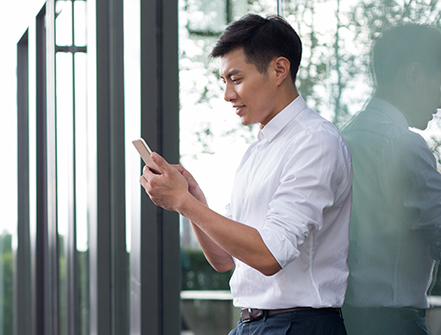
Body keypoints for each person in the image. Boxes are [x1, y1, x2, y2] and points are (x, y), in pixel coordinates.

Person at [140, 14, 352, 334]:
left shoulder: (315, 142)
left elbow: (269, 255)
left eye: (236, 79)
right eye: (224, 81)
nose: (228, 95)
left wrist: (184, 202)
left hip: (295, 325)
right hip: (253, 324)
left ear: (279, 70)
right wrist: (196, 200)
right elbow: (225, 259)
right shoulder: (257, 152)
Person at [341, 23, 441, 335]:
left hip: (346, 319)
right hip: (393, 322)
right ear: (414, 76)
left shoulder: (343, 137)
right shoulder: (403, 145)